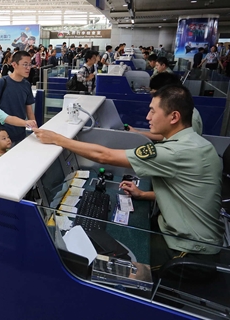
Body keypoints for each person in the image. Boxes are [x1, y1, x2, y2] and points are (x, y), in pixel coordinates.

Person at [33, 84, 223, 275]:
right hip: (197, 240)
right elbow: (185, 190)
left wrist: (58, 139)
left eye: (152, 111)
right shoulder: (195, 143)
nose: (147, 117)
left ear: (174, 117)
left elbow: (104, 156)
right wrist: (144, 194)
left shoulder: (176, 151)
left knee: (112, 266)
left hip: (188, 250)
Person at [0, 51, 36, 145]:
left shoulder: (26, 85)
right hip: (3, 135)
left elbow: (29, 110)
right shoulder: (2, 82)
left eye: (30, 64)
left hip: (20, 133)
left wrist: (35, 130)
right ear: (14, 64)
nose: (28, 68)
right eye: (25, 64)